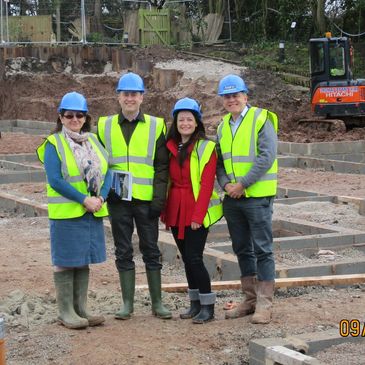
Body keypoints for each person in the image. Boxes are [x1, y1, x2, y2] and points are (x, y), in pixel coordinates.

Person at [97, 72, 171, 320]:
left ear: (142, 97)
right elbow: (98, 164)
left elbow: (162, 166)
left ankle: (157, 304)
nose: (130, 98)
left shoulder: (156, 125)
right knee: (123, 249)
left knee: (150, 250)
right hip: (118, 200)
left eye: (134, 94)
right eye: (125, 94)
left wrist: (158, 200)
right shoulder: (104, 125)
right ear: (118, 97)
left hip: (146, 200)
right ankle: (127, 304)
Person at [36, 92, 111, 329]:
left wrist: (102, 196)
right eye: (69, 115)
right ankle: (66, 311)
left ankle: (81, 308)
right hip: (68, 212)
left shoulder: (94, 140)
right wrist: (83, 199)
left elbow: (108, 170)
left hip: (91, 210)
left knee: (82, 259)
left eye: (79, 115)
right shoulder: (54, 143)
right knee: (66, 260)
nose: (74, 119)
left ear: (86, 117)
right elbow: (55, 180)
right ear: (61, 117)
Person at [215, 74, 278, 324]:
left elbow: (267, 156)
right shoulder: (222, 126)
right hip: (233, 198)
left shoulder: (261, 119)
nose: (232, 100)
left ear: (245, 96)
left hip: (257, 196)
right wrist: (226, 184)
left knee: (263, 249)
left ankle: (264, 303)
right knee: (242, 249)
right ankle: (250, 300)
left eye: (235, 95)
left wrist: (242, 184)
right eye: (227, 96)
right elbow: (219, 162)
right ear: (223, 100)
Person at [162, 97, 223, 324]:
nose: (185, 123)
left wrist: (198, 216)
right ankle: (195, 304)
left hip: (195, 209)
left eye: (189, 119)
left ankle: (208, 307)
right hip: (176, 208)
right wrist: (165, 212)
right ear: (175, 122)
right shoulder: (170, 146)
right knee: (187, 259)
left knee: (195, 258)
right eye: (181, 119)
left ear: (197, 122)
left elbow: (207, 185)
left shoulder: (206, 148)